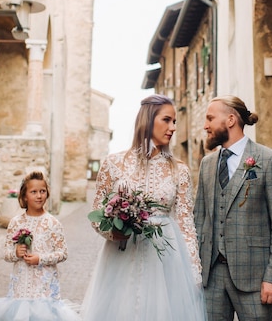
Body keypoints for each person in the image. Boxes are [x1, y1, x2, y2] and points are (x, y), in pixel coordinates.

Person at [81, 94, 207, 321]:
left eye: (175, 122)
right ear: (148, 120)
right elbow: (96, 214)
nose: (173, 128)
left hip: (166, 261)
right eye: (167, 120)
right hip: (122, 258)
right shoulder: (113, 163)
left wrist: (193, 272)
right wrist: (112, 232)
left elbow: (186, 224)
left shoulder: (180, 170)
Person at [194, 95, 272, 321]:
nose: (205, 125)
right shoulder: (207, 165)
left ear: (230, 120)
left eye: (210, 118)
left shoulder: (268, 160)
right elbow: (199, 220)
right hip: (211, 279)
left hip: (255, 279)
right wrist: (195, 271)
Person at [0, 171, 80, 321]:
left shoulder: (53, 223)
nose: (39, 196)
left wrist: (40, 258)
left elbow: (62, 253)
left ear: (47, 193)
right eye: (34, 192)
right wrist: (15, 253)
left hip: (45, 291)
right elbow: (6, 253)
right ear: (24, 196)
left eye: (42, 191)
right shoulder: (16, 222)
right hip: (21, 290)